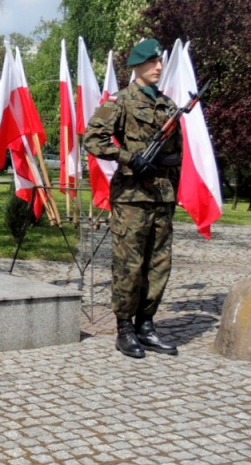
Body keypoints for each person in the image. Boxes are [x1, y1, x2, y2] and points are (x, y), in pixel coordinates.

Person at [84, 38, 182, 359]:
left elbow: (176, 157)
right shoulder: (121, 101)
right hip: (131, 197)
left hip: (162, 197)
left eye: (160, 63)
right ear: (137, 65)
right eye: (152, 63)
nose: (158, 68)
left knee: (159, 264)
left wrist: (173, 194)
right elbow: (92, 138)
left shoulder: (168, 106)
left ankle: (147, 325)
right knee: (129, 265)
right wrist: (128, 157)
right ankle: (124, 328)